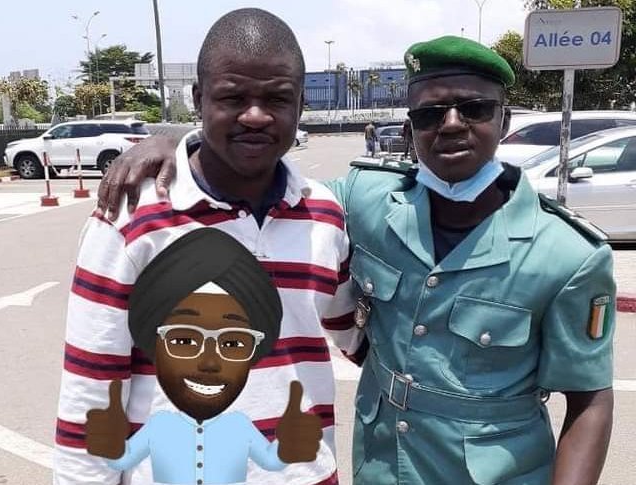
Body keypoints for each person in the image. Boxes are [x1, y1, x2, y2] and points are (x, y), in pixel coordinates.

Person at [96, 36, 616, 485]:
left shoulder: (567, 255)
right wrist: (176, 141)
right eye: (429, 114)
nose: (451, 125)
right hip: (383, 465)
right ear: (410, 129)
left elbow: (590, 401)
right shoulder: (366, 202)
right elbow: (265, 178)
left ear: (504, 120)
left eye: (474, 108)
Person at [54, 8, 356, 485]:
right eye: (233, 97)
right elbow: (90, 390)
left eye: (277, 98)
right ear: (199, 99)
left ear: (300, 105)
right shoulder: (132, 217)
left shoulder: (324, 213)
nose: (255, 115)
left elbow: (359, 336)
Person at [84, 228, 322, 484]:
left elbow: (271, 461)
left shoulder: (239, 427)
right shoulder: (160, 426)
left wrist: (288, 447)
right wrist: (107, 443)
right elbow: (122, 459)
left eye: (232, 343)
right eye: (184, 340)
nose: (209, 362)